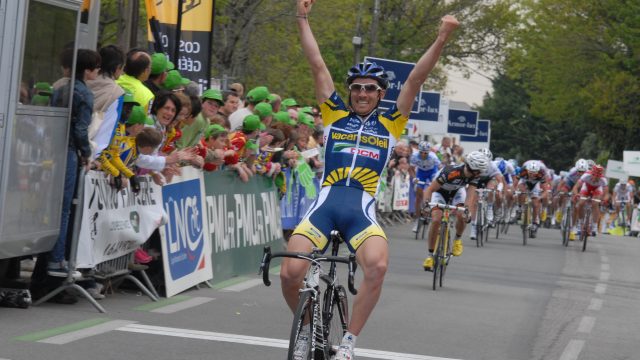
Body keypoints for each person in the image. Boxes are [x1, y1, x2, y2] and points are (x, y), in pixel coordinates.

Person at [280, 2, 459, 359]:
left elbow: (416, 79)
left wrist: (442, 37)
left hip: (360, 211)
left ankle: (347, 342)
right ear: (351, 92)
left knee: (377, 267)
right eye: (358, 88)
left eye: (371, 89)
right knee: (290, 272)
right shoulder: (334, 115)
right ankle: (305, 328)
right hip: (325, 206)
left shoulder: (392, 122)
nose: (362, 93)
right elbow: (317, 65)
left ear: (381, 94)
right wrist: (301, 18)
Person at [47, 49, 101, 277]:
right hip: (69, 152)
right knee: (65, 207)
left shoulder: (60, 89)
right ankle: (57, 258)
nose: (97, 73)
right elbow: (81, 130)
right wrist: (86, 153)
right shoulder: (85, 94)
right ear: (88, 70)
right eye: (96, 69)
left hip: (51, 150)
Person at [422, 151, 489, 270]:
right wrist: (426, 204)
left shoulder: (475, 175)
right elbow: (430, 189)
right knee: (436, 219)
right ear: (471, 168)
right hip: (440, 192)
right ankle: (430, 256)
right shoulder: (450, 172)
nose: (480, 174)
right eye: (478, 171)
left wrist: (467, 211)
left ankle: (457, 240)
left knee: (461, 214)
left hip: (457, 192)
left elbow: (470, 196)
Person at [410, 141, 440, 232]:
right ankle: (417, 219)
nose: (423, 154)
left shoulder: (433, 157)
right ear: (418, 151)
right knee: (418, 196)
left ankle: (431, 210)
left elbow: (440, 168)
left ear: (429, 152)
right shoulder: (414, 156)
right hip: (421, 173)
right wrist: (414, 178)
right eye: (421, 152)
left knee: (434, 190)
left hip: (432, 172)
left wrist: (436, 181)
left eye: (425, 153)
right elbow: (411, 169)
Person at [571, 164, 609, 237]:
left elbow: (606, 194)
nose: (595, 178)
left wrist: (604, 200)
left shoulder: (603, 179)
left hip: (597, 189)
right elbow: (575, 187)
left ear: (600, 176)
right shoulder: (586, 175)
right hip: (587, 187)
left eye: (598, 176)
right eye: (594, 175)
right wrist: (576, 194)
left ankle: (594, 227)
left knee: (595, 203)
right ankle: (580, 224)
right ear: (592, 173)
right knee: (581, 203)